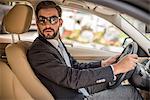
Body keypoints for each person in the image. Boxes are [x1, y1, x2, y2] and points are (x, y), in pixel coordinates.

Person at [27, 1, 144, 100]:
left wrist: (103, 64)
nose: (47, 25)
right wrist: (116, 68)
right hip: (75, 96)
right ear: (37, 24)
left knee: (131, 71)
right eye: (42, 20)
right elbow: (71, 78)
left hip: (78, 88)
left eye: (52, 20)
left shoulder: (55, 42)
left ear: (60, 22)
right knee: (130, 92)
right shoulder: (38, 51)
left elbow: (74, 66)